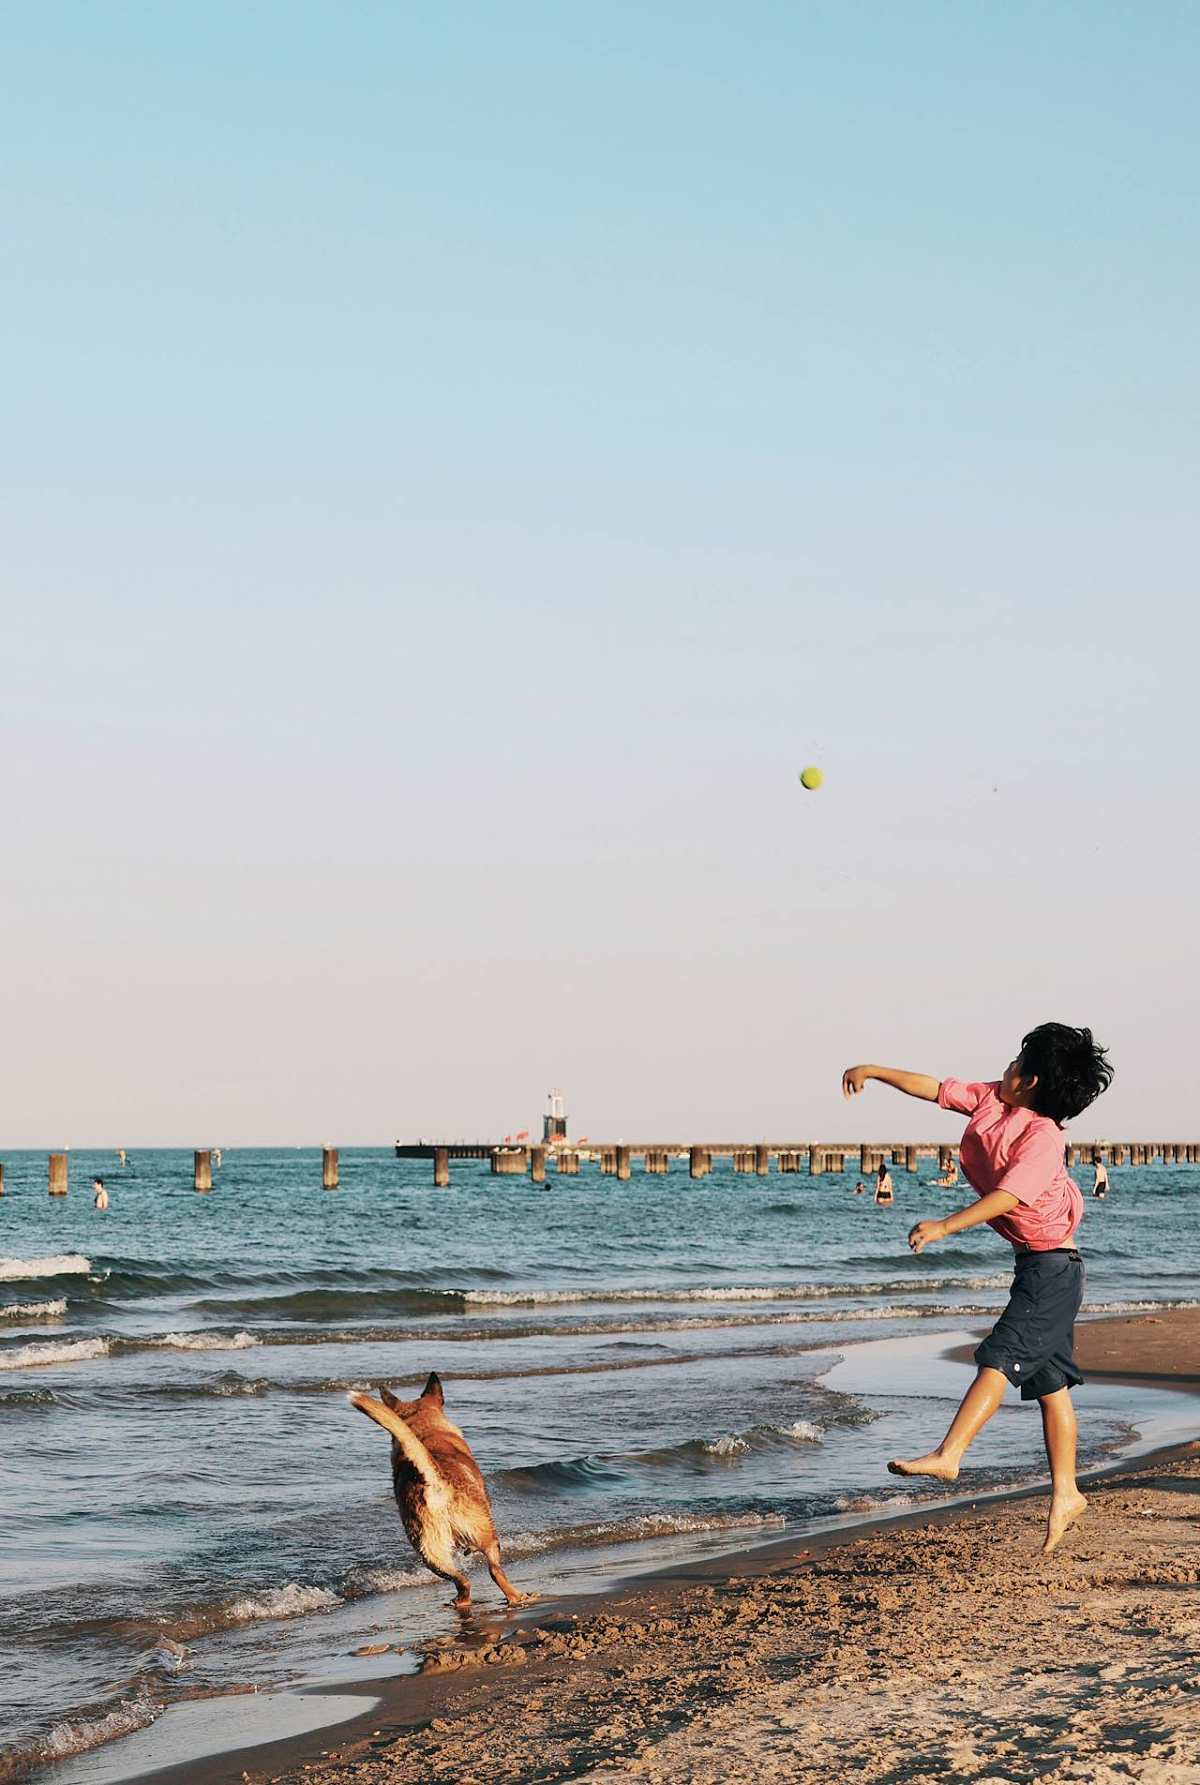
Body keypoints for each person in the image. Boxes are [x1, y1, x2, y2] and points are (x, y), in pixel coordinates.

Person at [842, 1022, 1114, 1554]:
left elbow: (1008, 1198)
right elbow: (934, 1088)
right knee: (1051, 1386)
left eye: (1015, 1063)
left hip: (1052, 1270)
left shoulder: (1043, 1138)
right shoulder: (994, 1100)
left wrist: (944, 1226)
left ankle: (950, 1453)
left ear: (1030, 1080)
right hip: (1043, 1267)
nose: (1005, 1067)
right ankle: (1067, 1493)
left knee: (999, 1357)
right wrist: (873, 1070)